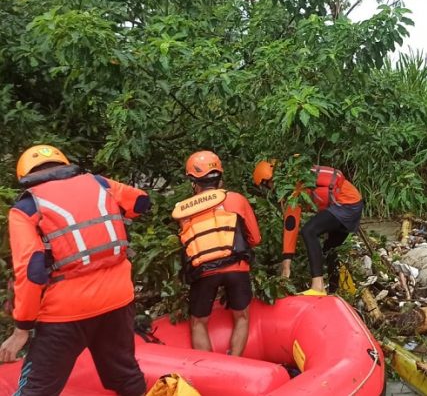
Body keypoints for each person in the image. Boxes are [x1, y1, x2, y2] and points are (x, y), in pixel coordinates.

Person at [0, 144, 150, 396]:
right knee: (125, 376)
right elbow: (142, 201)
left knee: (36, 389)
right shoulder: (100, 184)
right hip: (118, 301)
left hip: (65, 313)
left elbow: (32, 272)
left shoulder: (26, 209)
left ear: (26, 177)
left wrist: (21, 329)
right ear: (64, 164)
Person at [172, 151, 260, 355]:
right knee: (242, 317)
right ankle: (234, 362)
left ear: (193, 182)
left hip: (203, 272)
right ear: (220, 178)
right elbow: (255, 239)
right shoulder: (236, 199)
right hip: (237, 268)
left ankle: (211, 370)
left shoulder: (184, 210)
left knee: (198, 322)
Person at [252, 160, 363, 295]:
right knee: (329, 248)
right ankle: (335, 290)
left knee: (309, 231)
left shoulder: (294, 184)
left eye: (268, 185)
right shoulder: (295, 177)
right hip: (354, 202)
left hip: (346, 204)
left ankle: (318, 286)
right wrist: (287, 261)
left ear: (270, 179)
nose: (271, 188)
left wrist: (287, 263)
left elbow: (291, 224)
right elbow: (291, 223)